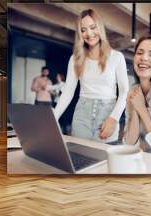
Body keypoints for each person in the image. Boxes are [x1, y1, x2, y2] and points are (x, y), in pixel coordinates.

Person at [54, 9, 129, 143]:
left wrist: (114, 118)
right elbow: (68, 92)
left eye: (93, 27)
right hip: (81, 115)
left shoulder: (116, 57)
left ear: (99, 27)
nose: (89, 33)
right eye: (83, 30)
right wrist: (53, 118)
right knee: (80, 159)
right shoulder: (75, 59)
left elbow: (124, 92)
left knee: (104, 160)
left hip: (108, 114)